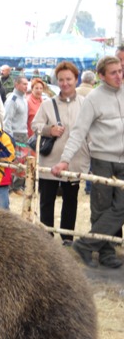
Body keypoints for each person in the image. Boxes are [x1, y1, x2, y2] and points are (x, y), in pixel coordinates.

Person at [51, 56, 124, 269]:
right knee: (101, 208)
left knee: (120, 206)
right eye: (113, 72)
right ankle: (106, 253)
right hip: (102, 159)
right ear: (101, 76)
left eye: (120, 71)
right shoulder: (93, 99)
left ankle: (85, 244)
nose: (119, 76)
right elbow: (79, 132)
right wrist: (65, 160)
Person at [32, 61, 90, 246]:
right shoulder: (48, 104)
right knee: (47, 200)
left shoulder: (85, 104)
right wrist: (50, 129)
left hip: (75, 161)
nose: (65, 83)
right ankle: (46, 237)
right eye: (61, 80)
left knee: (70, 201)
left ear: (76, 78)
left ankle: (67, 238)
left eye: (69, 79)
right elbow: (35, 125)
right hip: (50, 161)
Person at [3, 75, 29, 195]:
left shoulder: (24, 99)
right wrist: (10, 137)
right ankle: (8, 186)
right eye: (23, 84)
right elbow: (7, 120)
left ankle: (18, 186)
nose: (26, 86)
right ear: (16, 85)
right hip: (14, 134)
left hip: (23, 133)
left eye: (26, 84)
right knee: (13, 161)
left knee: (22, 162)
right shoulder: (12, 100)